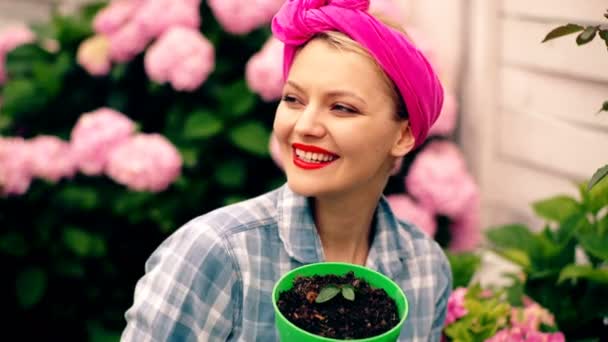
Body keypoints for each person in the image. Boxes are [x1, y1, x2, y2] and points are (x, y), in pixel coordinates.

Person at [121, 0, 451, 340]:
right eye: (293, 99)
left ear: (404, 134)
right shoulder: (217, 254)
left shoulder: (425, 269)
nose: (305, 126)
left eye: (341, 107)